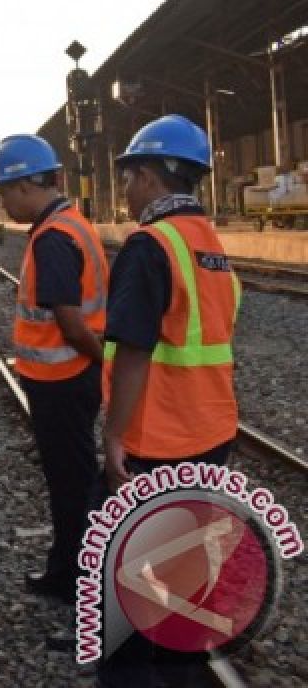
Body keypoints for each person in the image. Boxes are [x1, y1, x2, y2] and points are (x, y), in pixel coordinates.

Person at [98, 116, 242, 686]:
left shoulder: (150, 245)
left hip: (155, 442)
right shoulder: (211, 246)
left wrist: (115, 436)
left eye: (129, 178)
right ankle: (182, 661)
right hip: (212, 434)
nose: (126, 191)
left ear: (150, 176)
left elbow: (133, 351)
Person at [0, 134, 107, 605]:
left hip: (62, 380)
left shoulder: (54, 238)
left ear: (24, 186)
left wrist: (106, 362)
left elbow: (72, 324)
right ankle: (70, 570)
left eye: (3, 191)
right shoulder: (74, 224)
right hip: (71, 377)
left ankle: (73, 579)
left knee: (70, 483)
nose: (2, 202)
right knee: (73, 478)